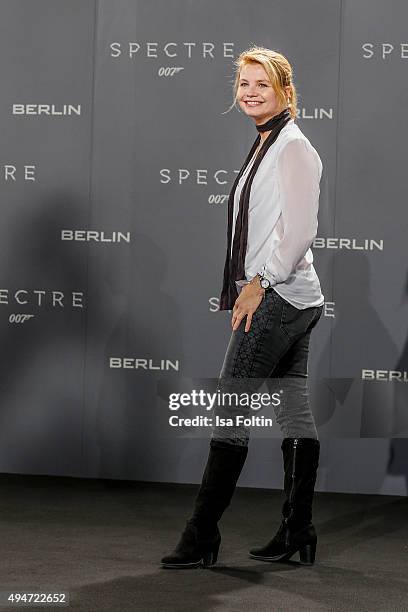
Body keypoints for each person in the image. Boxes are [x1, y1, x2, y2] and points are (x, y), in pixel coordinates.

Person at [161, 46, 324, 568]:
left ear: (285, 92)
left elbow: (300, 231)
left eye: (261, 85)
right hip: (297, 296)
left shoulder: (294, 147)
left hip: (277, 296)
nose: (250, 93)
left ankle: (201, 536)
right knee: (294, 414)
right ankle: (298, 530)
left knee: (230, 411)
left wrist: (258, 282)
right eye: (243, 85)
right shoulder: (265, 143)